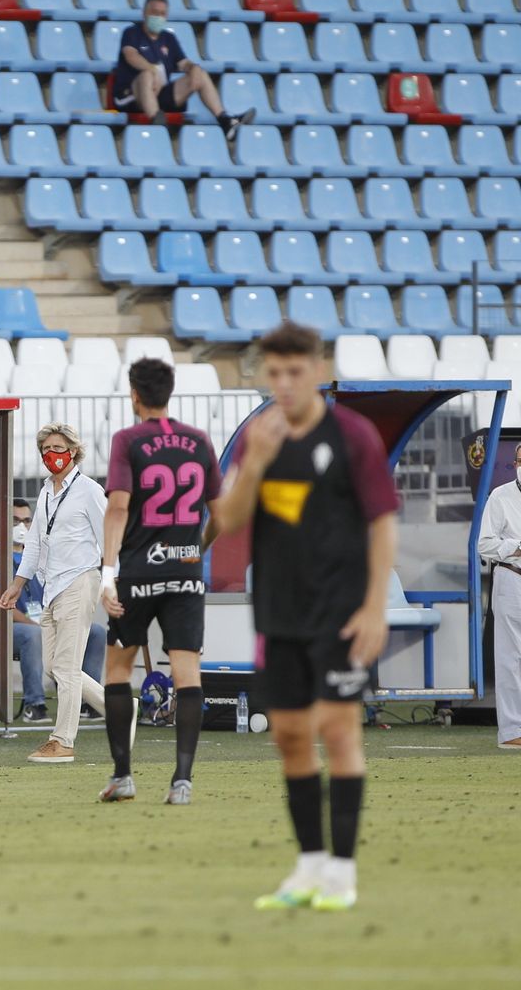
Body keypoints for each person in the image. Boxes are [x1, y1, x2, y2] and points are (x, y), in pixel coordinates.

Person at [217, 322, 398, 912]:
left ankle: (342, 875)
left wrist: (375, 605)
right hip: (278, 613)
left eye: (296, 371)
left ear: (318, 371)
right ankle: (309, 868)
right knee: (291, 736)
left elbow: (382, 522)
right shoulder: (260, 436)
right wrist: (256, 462)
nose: (285, 383)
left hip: (342, 614)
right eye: (274, 372)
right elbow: (232, 520)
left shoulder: (353, 436)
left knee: (339, 731)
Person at [98, 358, 228, 805]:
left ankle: (123, 777)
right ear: (169, 392)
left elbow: (117, 508)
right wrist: (197, 551)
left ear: (134, 394)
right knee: (187, 671)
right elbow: (222, 516)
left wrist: (108, 573)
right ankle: (182, 782)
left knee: (117, 669)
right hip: (186, 573)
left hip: (137, 571)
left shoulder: (127, 441)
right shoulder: (198, 440)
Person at [0, 423, 109, 763]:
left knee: (65, 667)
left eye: (59, 448)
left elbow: (109, 537)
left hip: (80, 580)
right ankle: (120, 711)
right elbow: (34, 543)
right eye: (46, 449)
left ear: (73, 451)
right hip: (52, 586)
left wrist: (111, 583)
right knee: (55, 667)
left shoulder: (89, 490)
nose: (52, 455)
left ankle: (63, 741)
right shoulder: (46, 490)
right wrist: (18, 583)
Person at [0, 499, 108, 724]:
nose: (22, 526)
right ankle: (34, 705)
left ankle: (86, 702)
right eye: (15, 520)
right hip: (1, 631)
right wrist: (41, 627)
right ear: (2, 523)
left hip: (44, 624)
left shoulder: (40, 555)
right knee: (33, 635)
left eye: (27, 520)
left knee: (95, 631)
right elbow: (1, 606)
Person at [112, 0, 253, 135]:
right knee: (147, 75)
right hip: (131, 95)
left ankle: (225, 120)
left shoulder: (169, 38)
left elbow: (183, 63)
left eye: (162, 14)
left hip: (159, 94)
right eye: (154, 13)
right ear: (144, 13)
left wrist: (192, 68)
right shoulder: (132, 32)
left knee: (200, 74)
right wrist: (152, 69)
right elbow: (130, 55)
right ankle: (158, 123)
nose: (158, 17)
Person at [474, 444, 521, 750]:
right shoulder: (500, 496)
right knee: (510, 659)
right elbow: (484, 544)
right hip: (512, 577)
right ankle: (512, 732)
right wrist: (516, 546)